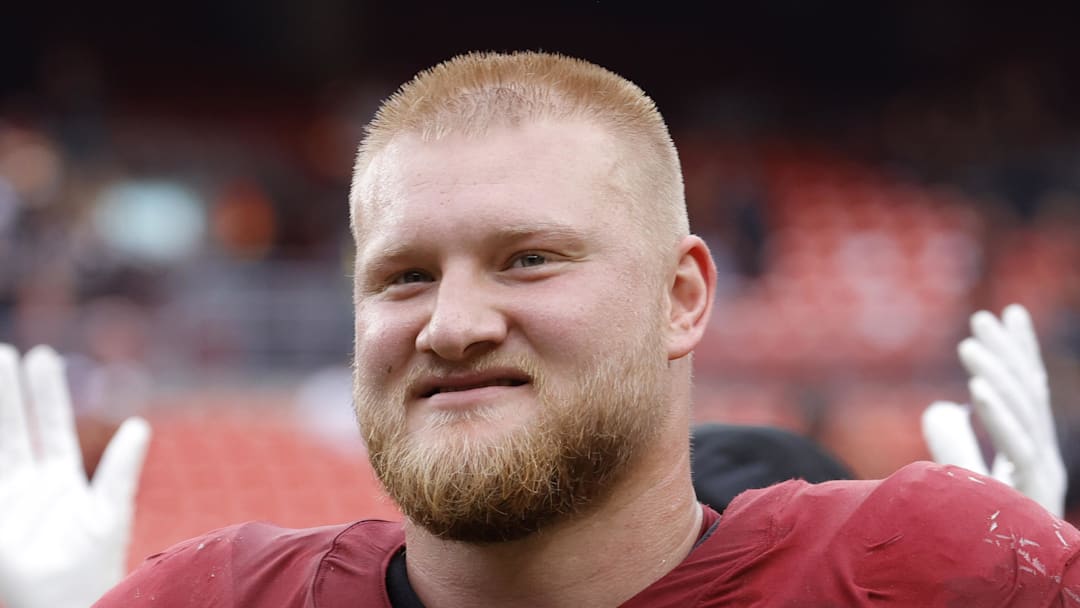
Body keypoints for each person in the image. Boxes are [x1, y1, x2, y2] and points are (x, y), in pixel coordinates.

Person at [0, 50, 1057, 606]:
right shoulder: (210, 599)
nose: (453, 325)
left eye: (529, 258)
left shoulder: (921, 570)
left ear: (683, 297)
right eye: (405, 276)